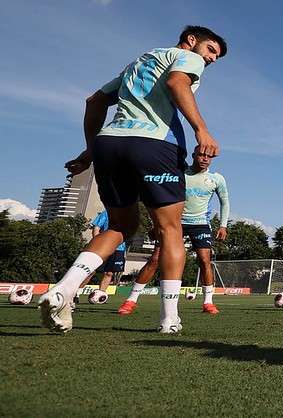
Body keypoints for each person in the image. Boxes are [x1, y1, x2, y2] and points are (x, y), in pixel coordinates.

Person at [38, 26, 227, 334]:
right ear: (192, 40)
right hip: (154, 144)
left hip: (110, 144)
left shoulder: (137, 63)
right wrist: (201, 130)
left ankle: (63, 289)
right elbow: (176, 82)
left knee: (120, 226)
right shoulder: (185, 58)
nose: (211, 59)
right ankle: (169, 319)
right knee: (170, 229)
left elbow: (94, 102)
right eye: (210, 50)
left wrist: (89, 150)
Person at [118, 147, 230, 315]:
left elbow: (225, 202)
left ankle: (208, 302)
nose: (205, 158)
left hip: (200, 224)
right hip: (173, 222)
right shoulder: (179, 173)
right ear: (194, 156)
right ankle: (130, 300)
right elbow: (160, 196)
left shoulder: (216, 179)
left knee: (204, 260)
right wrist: (157, 223)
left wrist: (223, 225)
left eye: (209, 156)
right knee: (155, 259)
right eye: (201, 155)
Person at [78, 210, 128, 301]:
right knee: (91, 271)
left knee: (109, 273)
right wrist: (97, 242)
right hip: (103, 247)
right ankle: (76, 294)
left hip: (119, 249)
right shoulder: (106, 213)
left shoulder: (129, 215)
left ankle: (101, 294)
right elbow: (96, 227)